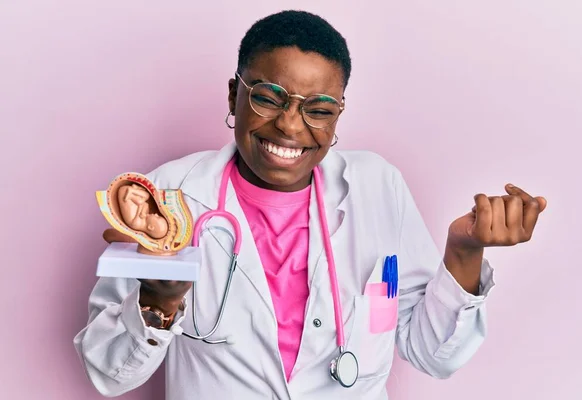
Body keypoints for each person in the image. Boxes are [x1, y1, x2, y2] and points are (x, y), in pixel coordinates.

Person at [74, 10, 547, 400]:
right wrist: (159, 298)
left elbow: (432, 354)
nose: (291, 127)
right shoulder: (169, 196)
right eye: (268, 98)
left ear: (338, 113)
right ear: (235, 94)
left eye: (318, 109)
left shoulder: (377, 187)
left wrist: (464, 250)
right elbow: (110, 374)